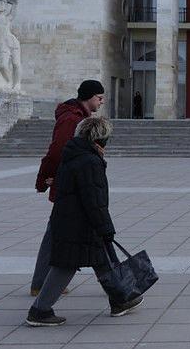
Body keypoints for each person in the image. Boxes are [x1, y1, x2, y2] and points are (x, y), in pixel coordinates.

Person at [27, 116, 143, 326]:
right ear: (100, 139)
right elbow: (94, 200)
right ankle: (40, 310)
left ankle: (120, 299)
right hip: (79, 222)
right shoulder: (90, 161)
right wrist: (105, 227)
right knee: (66, 265)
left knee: (102, 259)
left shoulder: (74, 153)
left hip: (70, 218)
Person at [30, 79, 106, 295]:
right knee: (58, 232)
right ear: (89, 97)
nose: (101, 102)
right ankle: (42, 285)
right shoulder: (71, 119)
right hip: (71, 185)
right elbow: (57, 151)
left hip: (72, 182)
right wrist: (44, 179)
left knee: (56, 231)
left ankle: (42, 282)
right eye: (99, 98)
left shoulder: (80, 118)